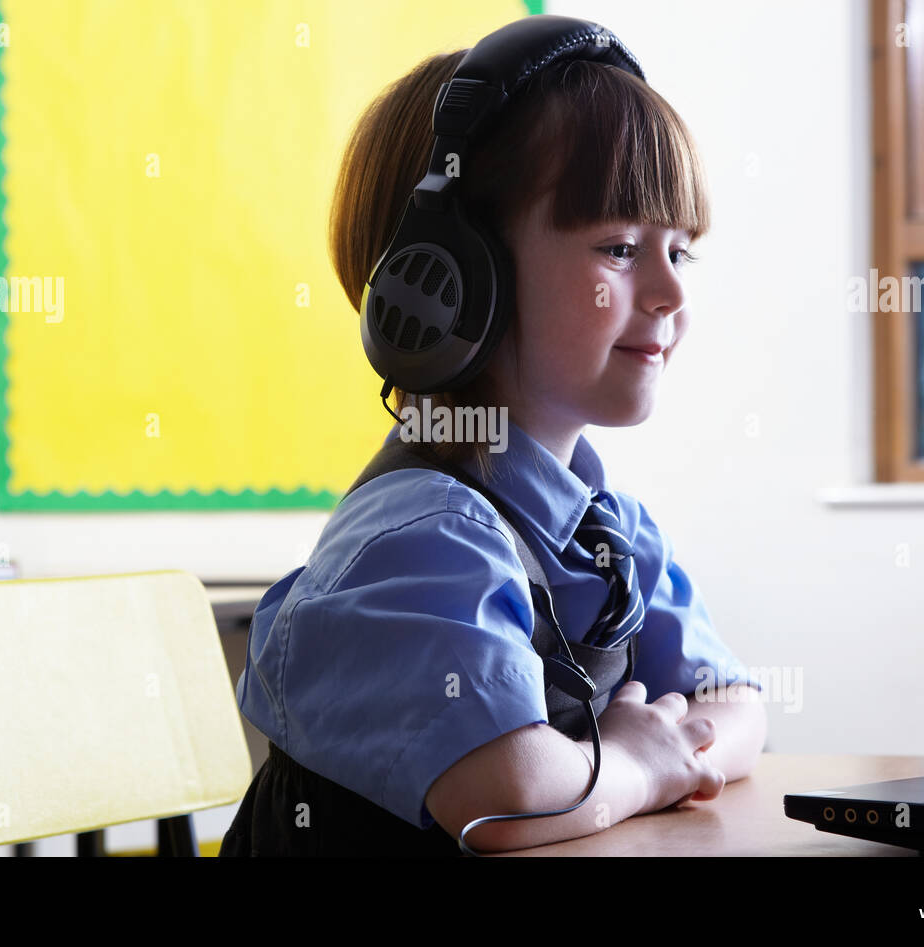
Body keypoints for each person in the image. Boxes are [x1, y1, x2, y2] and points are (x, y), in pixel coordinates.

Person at [220, 34, 767, 858]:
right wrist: (638, 766)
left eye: (679, 249)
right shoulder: (422, 537)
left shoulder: (607, 528)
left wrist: (645, 761)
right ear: (455, 275)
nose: (671, 291)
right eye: (619, 248)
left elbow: (738, 703)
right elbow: (509, 796)